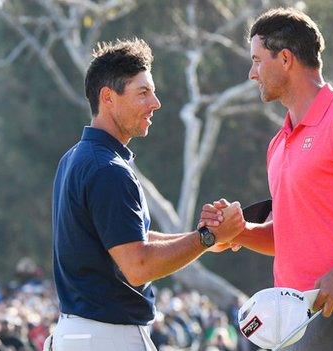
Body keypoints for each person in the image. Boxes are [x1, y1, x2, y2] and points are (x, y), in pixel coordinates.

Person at [200, 7, 333, 351]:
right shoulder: (278, 143)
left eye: (258, 61)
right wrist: (239, 231)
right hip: (296, 320)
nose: (252, 73)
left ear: (285, 59)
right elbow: (289, 236)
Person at [50, 38, 244, 351]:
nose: (155, 102)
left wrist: (203, 238)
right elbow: (138, 266)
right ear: (108, 98)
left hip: (77, 334)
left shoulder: (76, 158)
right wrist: (206, 239)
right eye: (143, 92)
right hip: (109, 338)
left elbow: (126, 239)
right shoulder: (107, 169)